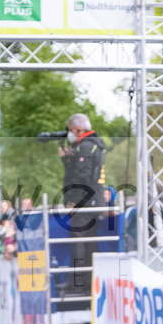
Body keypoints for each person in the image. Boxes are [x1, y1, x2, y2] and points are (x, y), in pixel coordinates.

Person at [58, 113, 105, 294]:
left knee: (79, 242)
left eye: (71, 131)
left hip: (84, 202)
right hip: (92, 201)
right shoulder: (94, 145)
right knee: (89, 242)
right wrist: (68, 159)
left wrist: (72, 200)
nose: (70, 134)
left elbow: (82, 177)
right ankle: (86, 284)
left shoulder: (86, 146)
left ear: (78, 129)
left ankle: (78, 285)